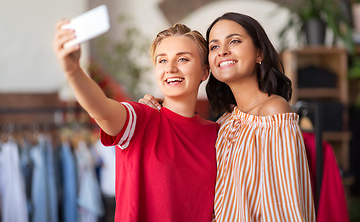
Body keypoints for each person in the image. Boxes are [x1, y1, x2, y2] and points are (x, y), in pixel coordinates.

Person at [140, 12, 316, 222]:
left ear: (259, 53)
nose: (223, 51)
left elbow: (286, 207)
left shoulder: (273, 112)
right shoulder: (225, 122)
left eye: (234, 41)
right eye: (214, 46)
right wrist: (153, 113)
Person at [53, 21, 219, 221]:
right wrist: (73, 71)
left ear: (204, 71)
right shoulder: (142, 118)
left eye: (183, 59)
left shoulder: (217, 133)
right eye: (162, 60)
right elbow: (102, 110)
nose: (171, 68)